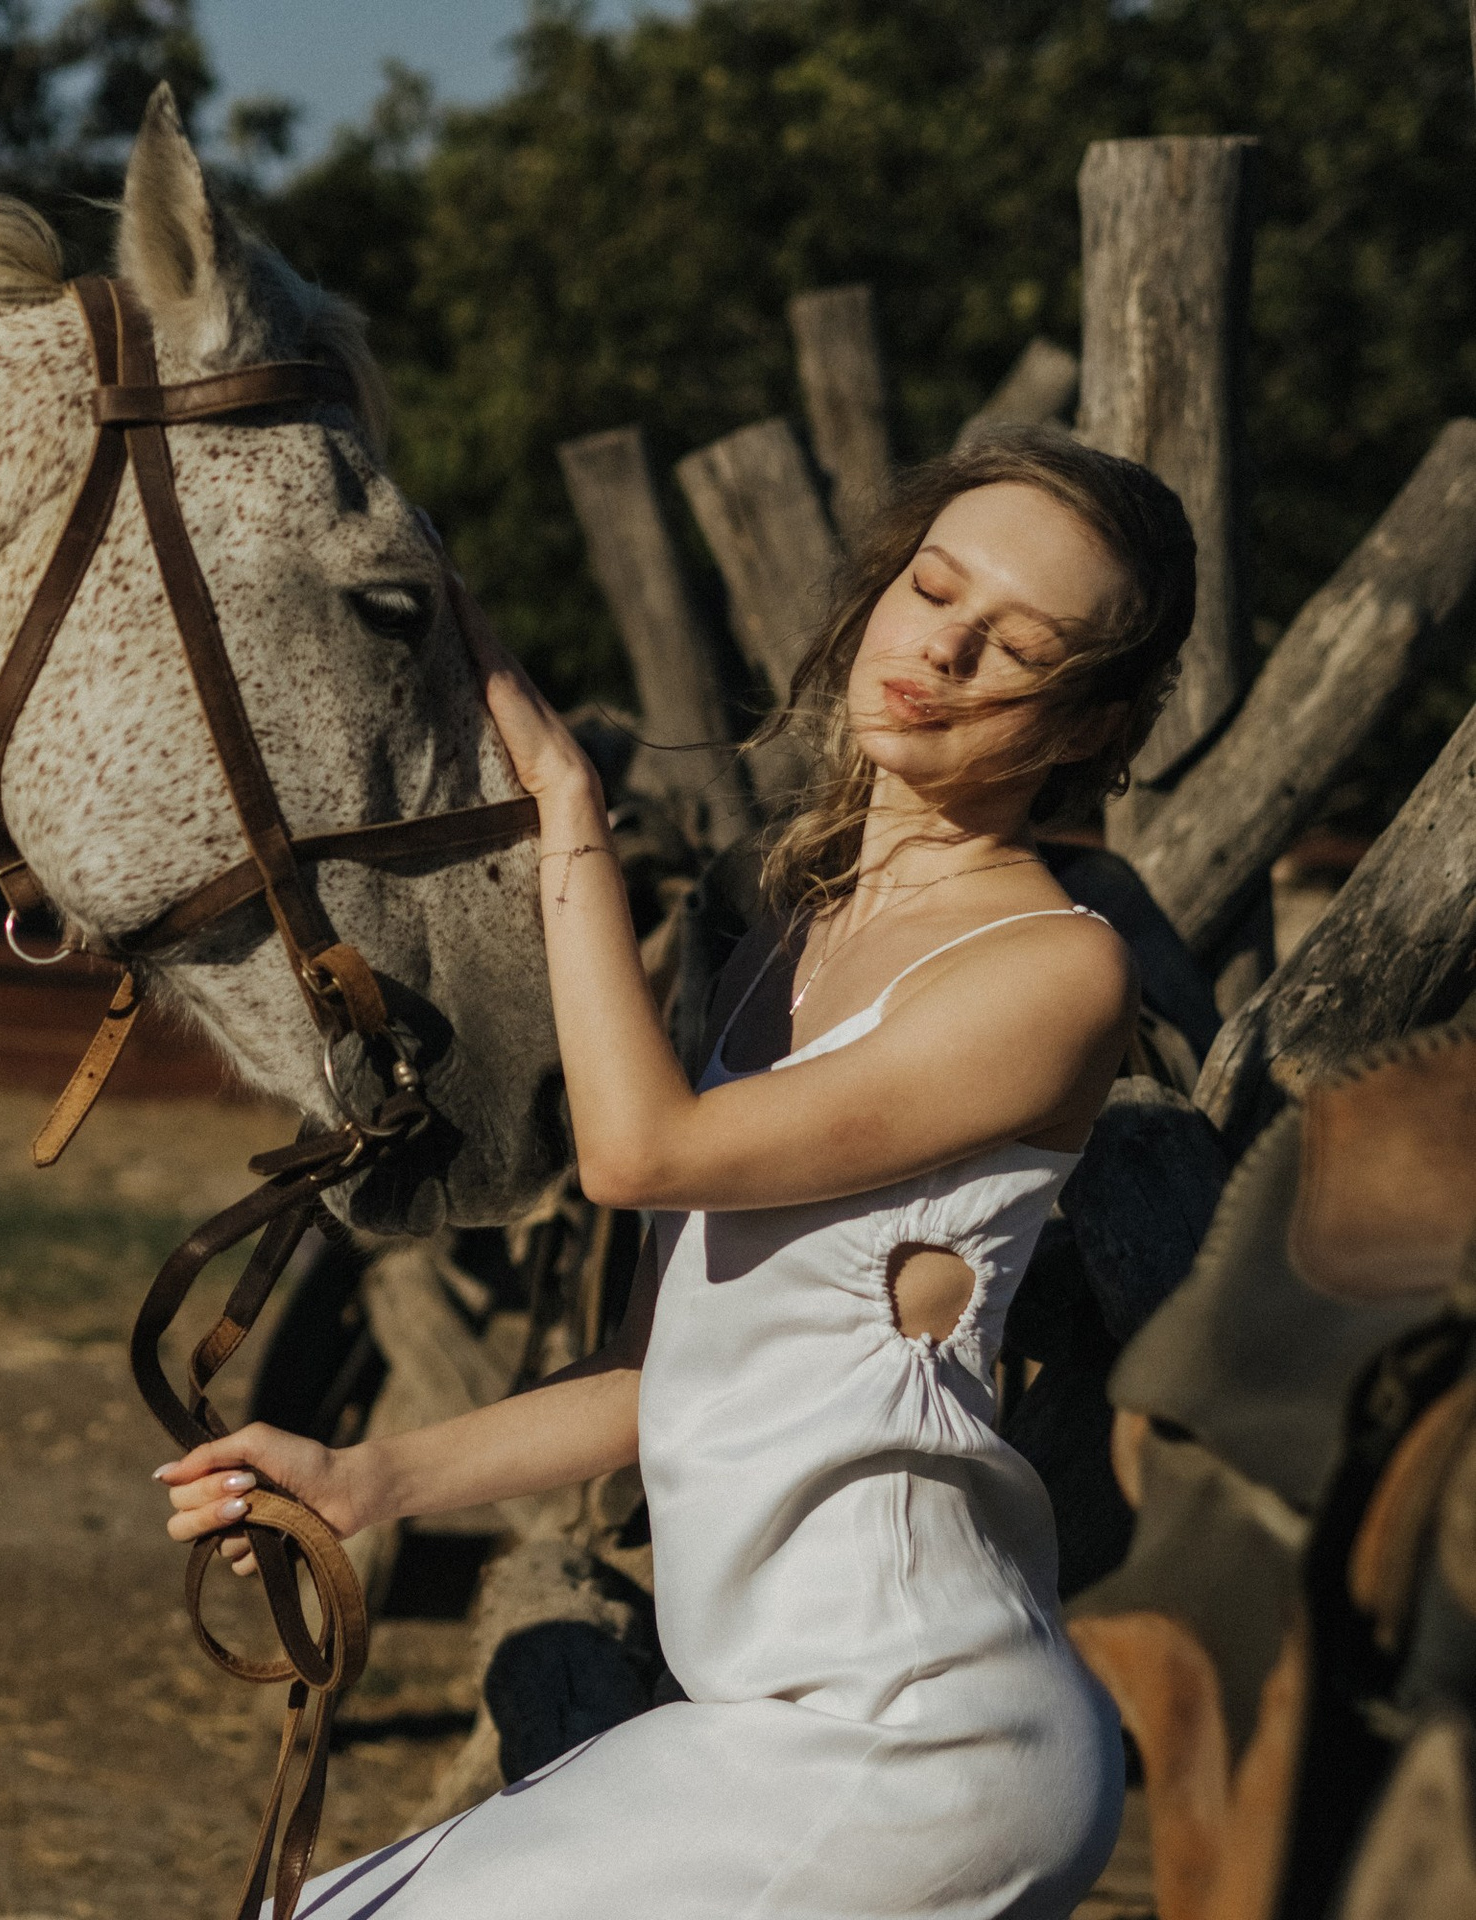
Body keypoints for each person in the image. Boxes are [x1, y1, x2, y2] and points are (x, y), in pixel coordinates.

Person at [155, 429, 1198, 1918]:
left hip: (916, 1738)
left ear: (1090, 719)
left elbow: (638, 1155)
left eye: (1017, 645)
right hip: (764, 1720)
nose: (945, 649)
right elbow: (671, 1370)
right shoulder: (788, 935)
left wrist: (568, 805)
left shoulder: (1053, 972)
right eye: (933, 587)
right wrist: (367, 1479)